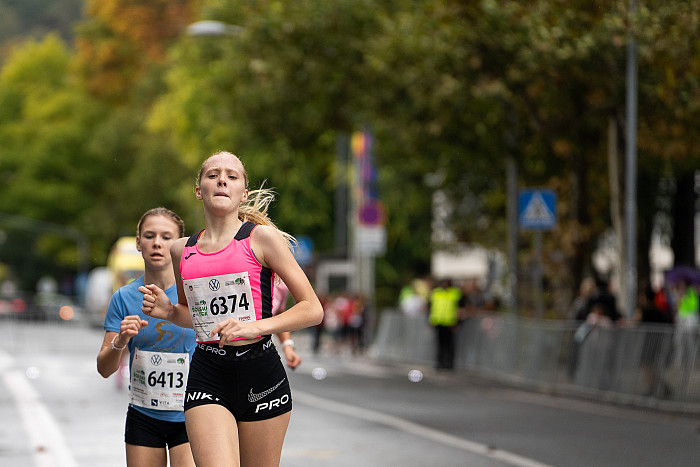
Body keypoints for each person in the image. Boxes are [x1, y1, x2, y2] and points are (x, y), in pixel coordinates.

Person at [139, 151, 323, 467]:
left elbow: (312, 309)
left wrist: (254, 326)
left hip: (261, 371)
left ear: (243, 193)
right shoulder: (181, 250)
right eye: (212, 174)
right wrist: (170, 312)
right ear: (199, 190)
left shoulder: (261, 238)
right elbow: (196, 319)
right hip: (208, 373)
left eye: (232, 176)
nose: (222, 179)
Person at [96, 207, 196, 467]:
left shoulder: (194, 293)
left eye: (166, 237)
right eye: (149, 236)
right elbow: (104, 369)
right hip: (143, 415)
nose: (157, 243)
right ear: (139, 243)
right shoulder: (123, 298)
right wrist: (120, 341)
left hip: (192, 414)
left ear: (178, 246)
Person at [428, 278, 463, 370]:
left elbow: (459, 309)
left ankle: (449, 364)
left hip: (450, 323)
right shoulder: (435, 293)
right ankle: (439, 363)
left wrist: (457, 322)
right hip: (438, 322)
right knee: (440, 344)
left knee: (449, 345)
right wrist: (431, 321)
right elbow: (431, 308)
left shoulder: (455, 293)